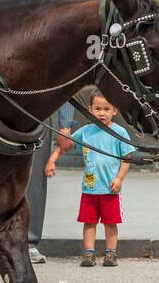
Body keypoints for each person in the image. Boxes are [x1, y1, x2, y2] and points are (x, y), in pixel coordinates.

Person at [45, 88, 137, 267]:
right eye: (98, 109)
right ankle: (88, 253)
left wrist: (119, 179)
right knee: (89, 222)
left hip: (110, 189)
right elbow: (65, 144)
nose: (102, 113)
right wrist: (52, 160)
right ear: (90, 109)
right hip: (89, 188)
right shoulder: (86, 132)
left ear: (114, 111)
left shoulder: (119, 133)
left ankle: (111, 253)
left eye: (106, 109)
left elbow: (127, 159)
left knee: (111, 223)